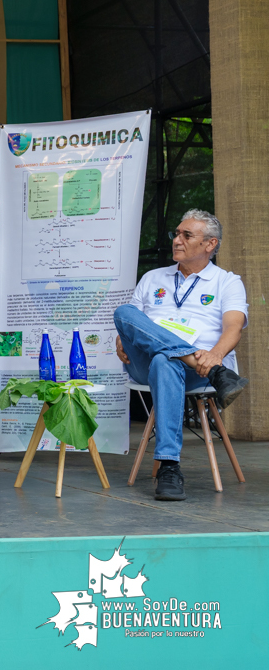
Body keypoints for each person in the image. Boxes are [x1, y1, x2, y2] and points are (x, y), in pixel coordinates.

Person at [114, 209, 249, 502]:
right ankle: (214, 372)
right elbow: (131, 320)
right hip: (148, 364)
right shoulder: (153, 277)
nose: (177, 240)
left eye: (186, 235)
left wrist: (214, 357)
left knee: (166, 361)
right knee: (124, 312)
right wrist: (121, 337)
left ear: (210, 245)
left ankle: (169, 467)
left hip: (197, 369)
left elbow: (233, 327)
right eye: (176, 234)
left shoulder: (227, 282)